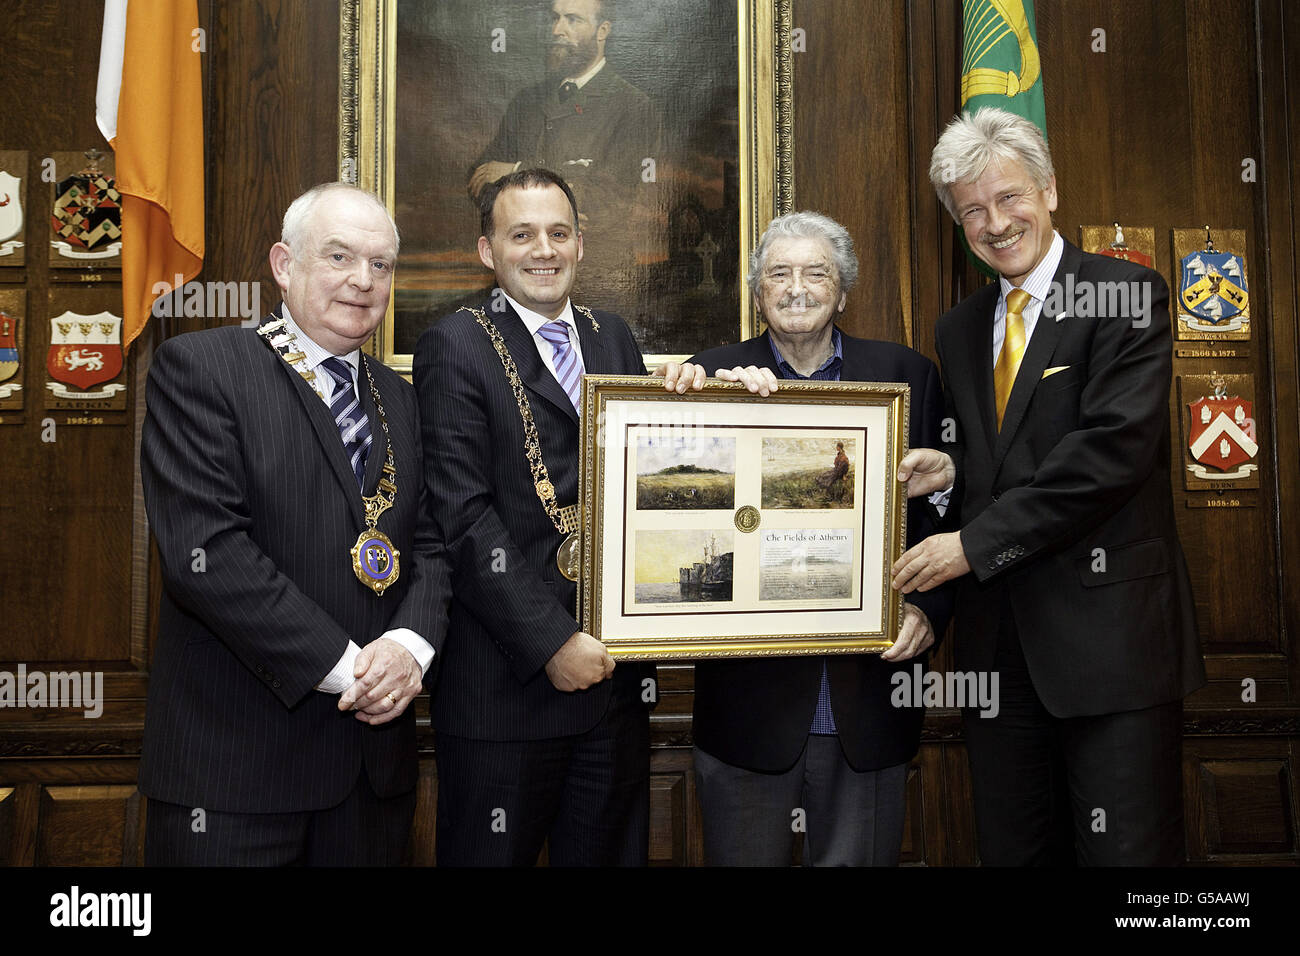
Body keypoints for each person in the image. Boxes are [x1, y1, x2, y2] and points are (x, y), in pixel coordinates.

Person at [892, 107, 1205, 865]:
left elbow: (1106, 456)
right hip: (998, 660)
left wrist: (970, 543)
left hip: (1111, 651)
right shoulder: (959, 328)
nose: (995, 223)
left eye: (1009, 198)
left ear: (1051, 190)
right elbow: (1011, 457)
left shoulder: (1125, 295)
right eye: (972, 209)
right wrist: (956, 468)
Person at [138, 183, 450, 865]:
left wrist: (408, 649)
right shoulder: (204, 369)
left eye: (380, 265)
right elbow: (209, 556)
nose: (363, 282)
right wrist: (349, 672)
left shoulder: (400, 397)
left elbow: (432, 547)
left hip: (372, 784)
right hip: (234, 780)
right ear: (284, 264)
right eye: (339, 257)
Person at [662, 211, 954, 865]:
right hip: (747, 718)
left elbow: (941, 515)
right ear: (757, 292)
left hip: (869, 707)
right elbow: (671, 508)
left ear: (843, 291)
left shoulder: (908, 376)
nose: (797, 287)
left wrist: (927, 612)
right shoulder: (709, 378)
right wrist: (689, 412)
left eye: (815, 272)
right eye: (779, 273)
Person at [467, 0, 661, 297]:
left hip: (600, 280)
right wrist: (570, 187)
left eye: (572, 20)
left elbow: (610, 197)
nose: (557, 30)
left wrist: (518, 171)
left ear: (602, 30)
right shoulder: (527, 101)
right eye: (555, 19)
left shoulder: (633, 106)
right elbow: (480, 178)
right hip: (519, 283)